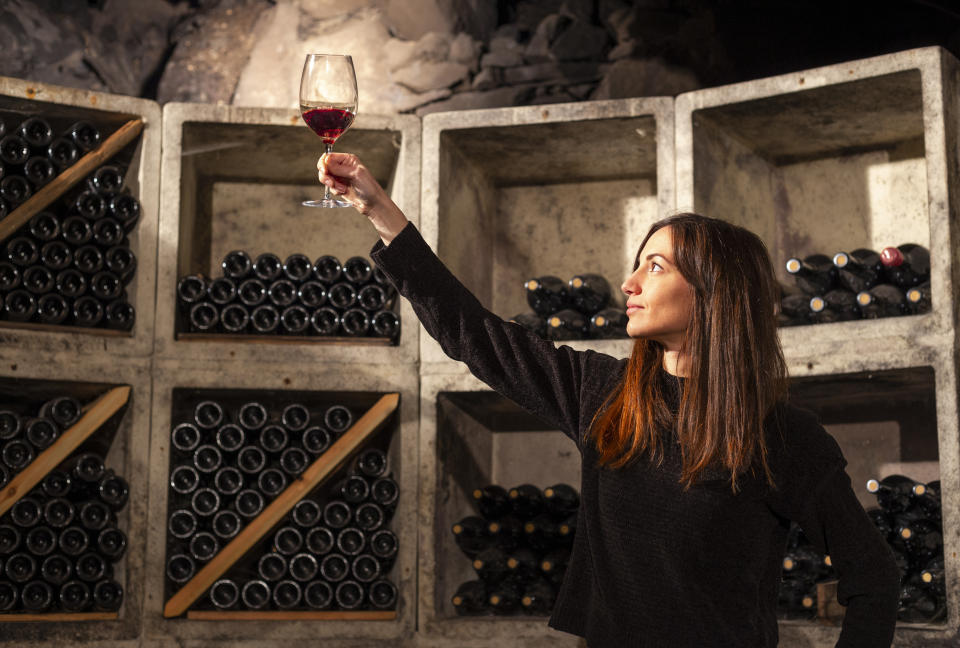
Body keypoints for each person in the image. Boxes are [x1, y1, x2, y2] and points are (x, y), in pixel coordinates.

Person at [317, 152, 901, 647]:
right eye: (636, 265)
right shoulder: (603, 394)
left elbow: (873, 579)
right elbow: (475, 334)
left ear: (713, 294)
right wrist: (381, 212)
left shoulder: (783, 436)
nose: (629, 284)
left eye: (655, 266)